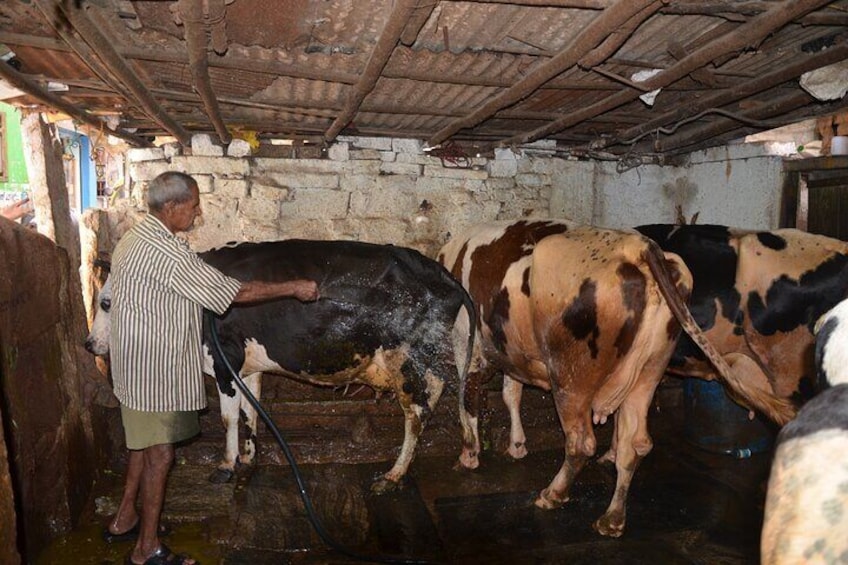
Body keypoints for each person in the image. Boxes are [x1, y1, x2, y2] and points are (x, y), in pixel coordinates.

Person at [105, 171, 318, 565]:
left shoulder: (134, 238)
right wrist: (293, 288)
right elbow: (235, 292)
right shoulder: (166, 252)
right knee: (160, 455)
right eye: (193, 204)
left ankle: (124, 519)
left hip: (132, 363)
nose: (197, 211)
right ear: (171, 208)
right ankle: (146, 549)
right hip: (155, 368)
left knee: (141, 444)